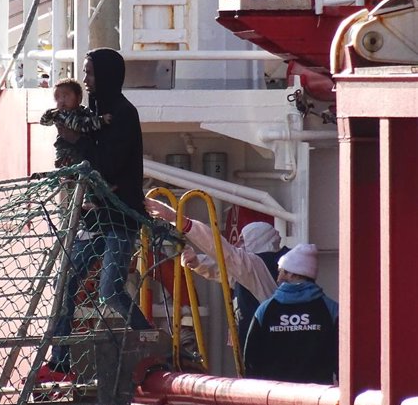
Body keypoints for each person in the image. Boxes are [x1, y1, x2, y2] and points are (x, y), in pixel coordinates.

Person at [37, 48, 152, 383]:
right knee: (66, 282)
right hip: (97, 215)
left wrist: (73, 139)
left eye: (89, 73)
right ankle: (60, 363)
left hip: (120, 216)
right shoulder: (97, 111)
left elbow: (107, 165)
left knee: (110, 291)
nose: (85, 81)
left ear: (106, 74)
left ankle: (148, 340)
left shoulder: (123, 113)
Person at [144, 198, 288, 350]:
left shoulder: (256, 266)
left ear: (256, 241)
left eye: (242, 240)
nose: (237, 245)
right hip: (260, 347)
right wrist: (197, 262)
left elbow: (224, 252)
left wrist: (177, 219)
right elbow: (221, 268)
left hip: (265, 349)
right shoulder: (258, 272)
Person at [243, 243, 338, 384]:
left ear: (292, 273)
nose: (278, 278)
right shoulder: (331, 309)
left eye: (281, 271)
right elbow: (342, 356)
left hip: (275, 397)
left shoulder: (266, 309)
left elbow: (251, 359)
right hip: (317, 398)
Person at [39, 78, 112, 168]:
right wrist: (101, 120)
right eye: (57, 97)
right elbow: (80, 124)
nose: (61, 100)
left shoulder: (84, 111)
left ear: (79, 98)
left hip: (82, 151)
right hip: (67, 152)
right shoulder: (62, 115)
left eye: (65, 96)